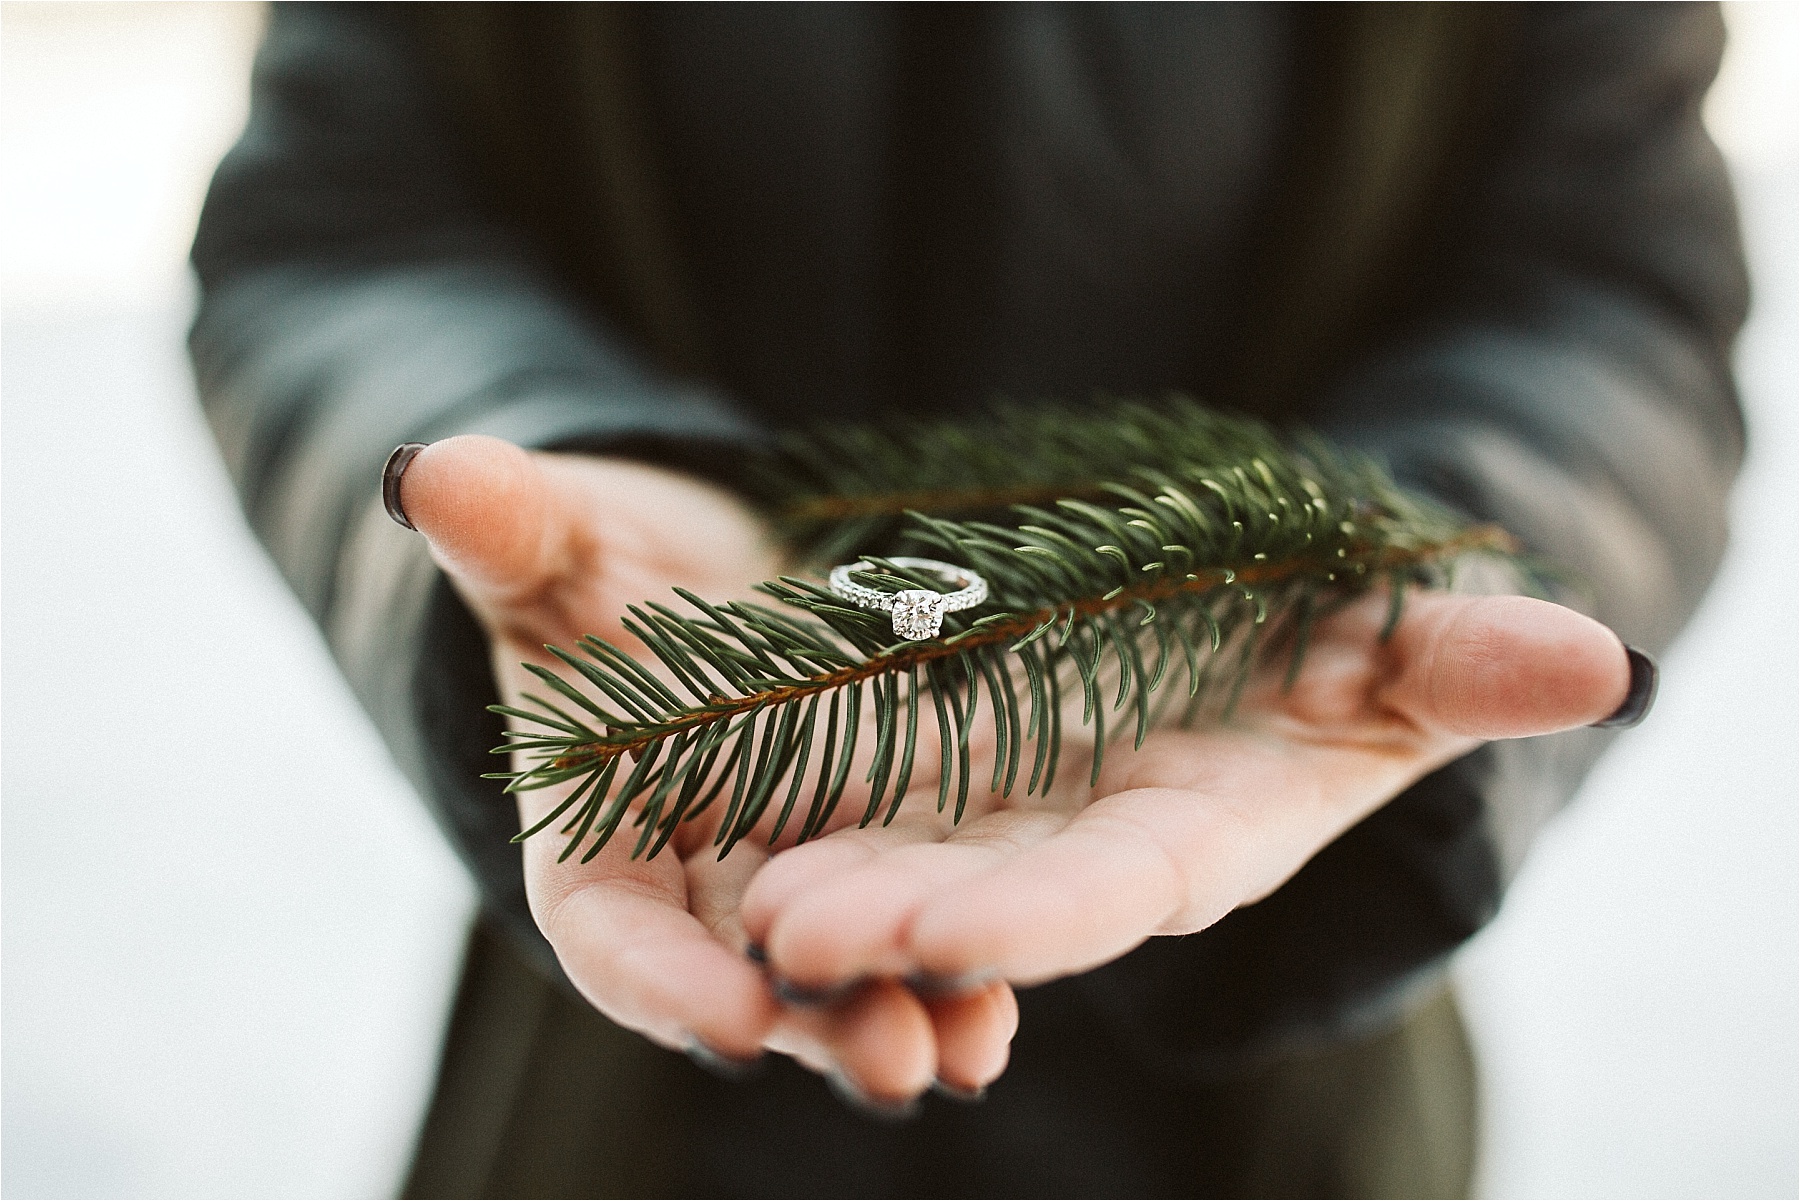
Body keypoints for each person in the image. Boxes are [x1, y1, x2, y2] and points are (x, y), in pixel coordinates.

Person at [189, 4, 1746, 1196]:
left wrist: (1413, 542)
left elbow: (1608, 288)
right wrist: (552, 458)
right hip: (629, 1075)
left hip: (1275, 1080)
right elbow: (341, 226)